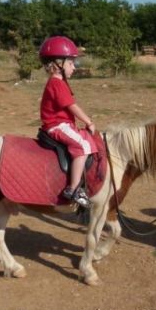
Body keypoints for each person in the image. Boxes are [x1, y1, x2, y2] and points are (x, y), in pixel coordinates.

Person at [39, 36, 97, 208]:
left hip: (62, 123)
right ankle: (73, 189)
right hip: (57, 125)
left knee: (86, 141)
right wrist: (89, 121)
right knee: (83, 145)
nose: (74, 67)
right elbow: (72, 106)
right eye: (71, 63)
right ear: (58, 64)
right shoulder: (57, 84)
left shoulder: (60, 82)